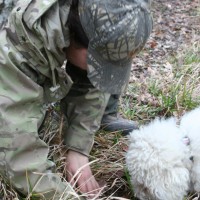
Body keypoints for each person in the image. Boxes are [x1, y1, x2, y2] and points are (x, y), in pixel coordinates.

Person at [0, 0, 152, 199]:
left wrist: (78, 146)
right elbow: (16, 148)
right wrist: (64, 195)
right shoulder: (23, 36)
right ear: (75, 34)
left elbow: (94, 75)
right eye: (102, 63)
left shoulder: (121, 9)